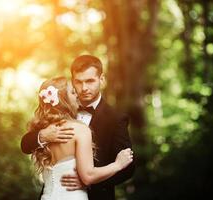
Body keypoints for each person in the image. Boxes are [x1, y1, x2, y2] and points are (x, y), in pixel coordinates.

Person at [21, 55, 135, 200]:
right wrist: (42, 136)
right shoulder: (54, 117)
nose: (84, 88)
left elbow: (128, 168)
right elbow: (25, 145)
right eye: (78, 82)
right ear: (72, 81)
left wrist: (88, 182)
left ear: (101, 79)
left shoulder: (116, 119)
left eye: (90, 81)